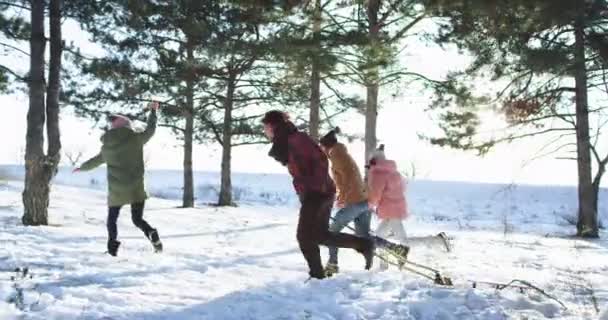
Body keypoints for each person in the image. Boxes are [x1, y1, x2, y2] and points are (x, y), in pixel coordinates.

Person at [261, 111, 375, 280]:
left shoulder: (297, 139)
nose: (265, 131)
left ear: (273, 126)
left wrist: (313, 186)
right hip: (318, 192)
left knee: (304, 237)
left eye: (265, 127)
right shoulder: (288, 141)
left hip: (318, 193)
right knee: (320, 235)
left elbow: (321, 159)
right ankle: (364, 244)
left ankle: (317, 275)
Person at [74, 101, 163, 256]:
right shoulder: (137, 139)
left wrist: (81, 168)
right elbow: (150, 130)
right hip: (136, 187)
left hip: (117, 190)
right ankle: (151, 233)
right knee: (137, 219)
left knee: (112, 220)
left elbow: (95, 161)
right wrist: (153, 112)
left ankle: (112, 249)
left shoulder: (107, 147)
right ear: (128, 127)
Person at [367, 145, 450, 269]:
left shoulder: (379, 174)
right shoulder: (394, 172)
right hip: (397, 208)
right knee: (380, 236)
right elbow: (403, 188)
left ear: (373, 160)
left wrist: (367, 205)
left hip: (390, 210)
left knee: (403, 242)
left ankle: (437, 240)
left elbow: (375, 194)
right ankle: (383, 265)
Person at [319, 127, 371, 277]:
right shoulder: (341, 154)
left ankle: (332, 265)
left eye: (321, 147)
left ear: (326, 146)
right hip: (362, 200)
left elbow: (349, 178)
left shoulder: (337, 156)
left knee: (330, 233)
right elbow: (347, 178)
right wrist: (341, 195)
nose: (321, 150)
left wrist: (343, 197)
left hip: (354, 201)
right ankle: (395, 249)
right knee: (363, 236)